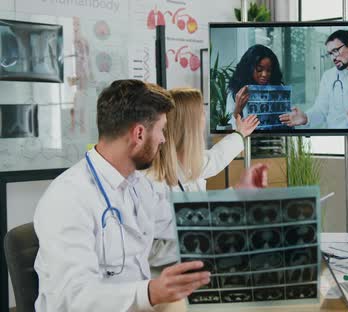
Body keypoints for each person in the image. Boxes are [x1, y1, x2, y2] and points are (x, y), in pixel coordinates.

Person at [33, 80, 268, 311]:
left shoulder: (137, 186)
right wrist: (151, 292)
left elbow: (185, 219)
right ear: (139, 133)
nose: (165, 140)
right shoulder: (67, 198)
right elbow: (72, 299)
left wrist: (238, 194)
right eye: (162, 130)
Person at [148, 87, 259, 192]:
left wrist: (240, 133)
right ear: (190, 122)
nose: (205, 114)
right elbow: (197, 210)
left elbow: (216, 157)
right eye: (201, 111)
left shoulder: (186, 161)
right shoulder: (156, 181)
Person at [226, 44, 284, 128]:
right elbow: (230, 131)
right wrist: (237, 110)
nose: (264, 74)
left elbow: (287, 124)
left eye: (269, 70)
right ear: (249, 68)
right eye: (259, 69)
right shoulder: (236, 92)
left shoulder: (278, 89)